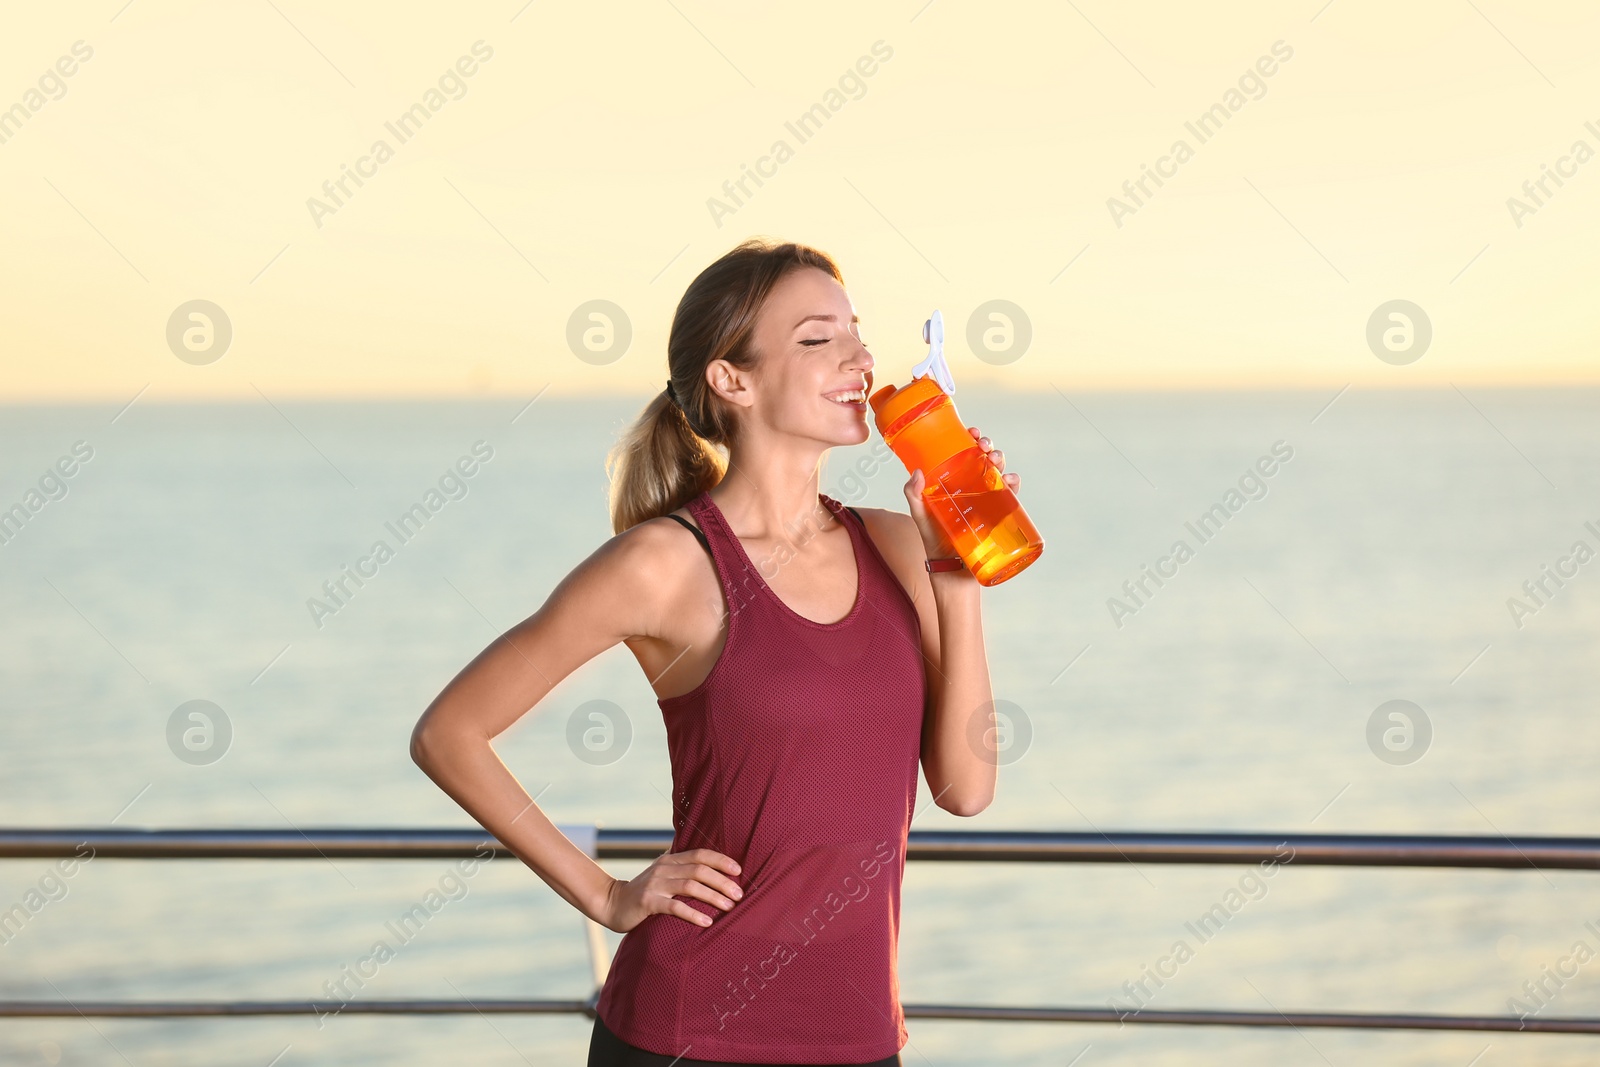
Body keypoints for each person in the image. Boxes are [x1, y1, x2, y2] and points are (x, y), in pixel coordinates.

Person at [411, 238, 1020, 1065]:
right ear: (733, 380)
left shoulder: (897, 546)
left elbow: (967, 788)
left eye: (856, 331)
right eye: (817, 339)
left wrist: (959, 579)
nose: (860, 357)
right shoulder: (666, 564)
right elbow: (449, 732)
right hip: (688, 1034)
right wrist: (608, 893)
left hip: (860, 1036)